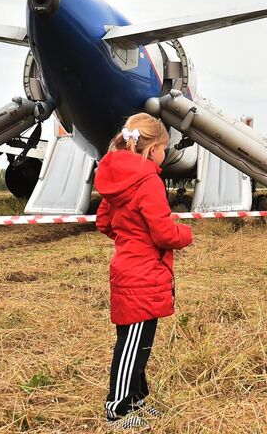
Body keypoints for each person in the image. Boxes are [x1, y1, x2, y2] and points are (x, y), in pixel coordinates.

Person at [94, 113, 193, 430]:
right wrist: (184, 234)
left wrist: (129, 238)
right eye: (164, 148)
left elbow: (104, 223)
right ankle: (117, 411)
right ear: (152, 150)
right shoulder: (149, 181)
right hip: (143, 275)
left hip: (130, 270)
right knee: (131, 346)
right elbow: (164, 233)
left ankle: (135, 400)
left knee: (138, 343)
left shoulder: (117, 182)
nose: (165, 154)